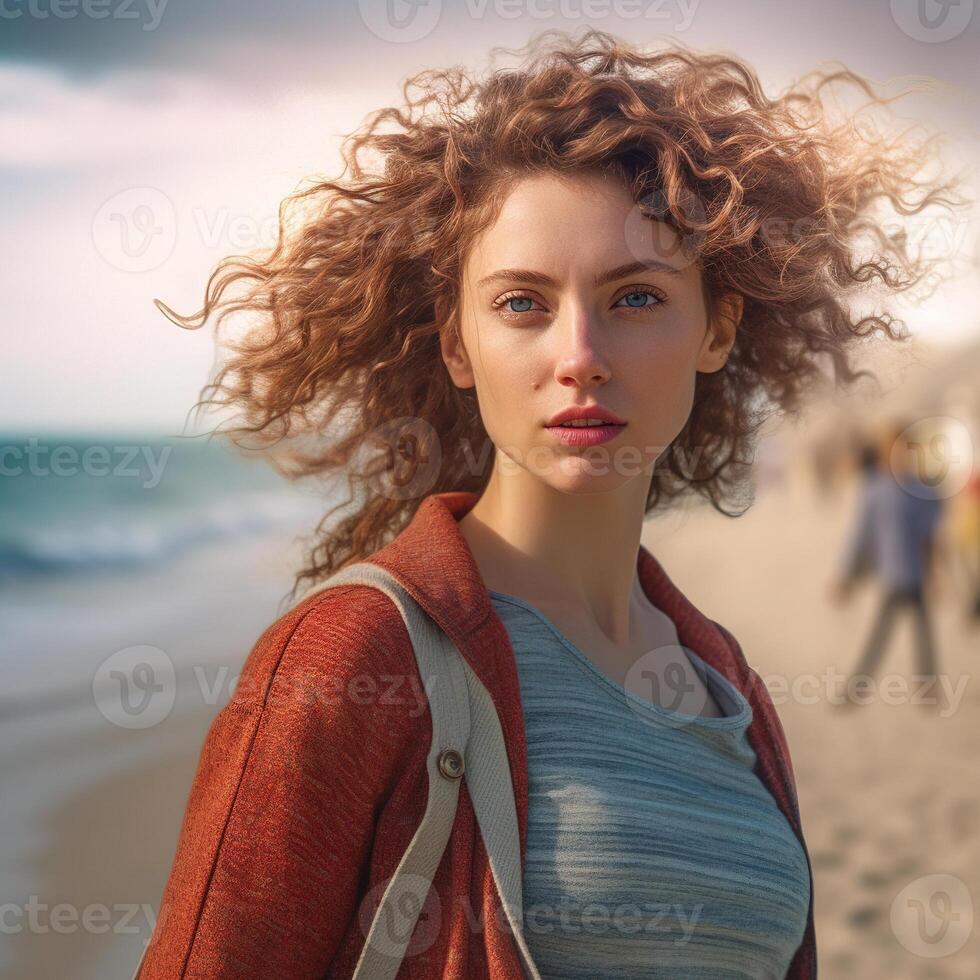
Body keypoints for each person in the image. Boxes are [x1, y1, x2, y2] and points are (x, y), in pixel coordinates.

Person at [136, 29, 958, 980]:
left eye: (637, 297)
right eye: (522, 303)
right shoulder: (350, 657)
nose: (580, 355)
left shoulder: (725, 678)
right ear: (456, 343)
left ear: (717, 329)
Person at [830, 422, 945, 703]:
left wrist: (936, 575)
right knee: (880, 636)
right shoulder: (874, 491)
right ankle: (857, 688)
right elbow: (859, 536)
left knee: (924, 634)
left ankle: (928, 687)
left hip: (917, 576)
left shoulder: (925, 491)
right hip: (893, 577)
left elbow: (931, 537)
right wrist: (845, 576)